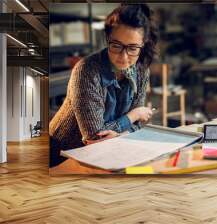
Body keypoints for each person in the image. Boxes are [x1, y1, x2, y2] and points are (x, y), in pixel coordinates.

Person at [49, 4, 158, 167]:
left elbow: (137, 128)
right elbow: (94, 137)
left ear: (143, 45)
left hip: (107, 152)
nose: (124, 56)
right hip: (62, 156)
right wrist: (134, 115)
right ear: (107, 40)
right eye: (116, 45)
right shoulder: (86, 70)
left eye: (133, 48)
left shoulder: (142, 71)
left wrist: (123, 133)